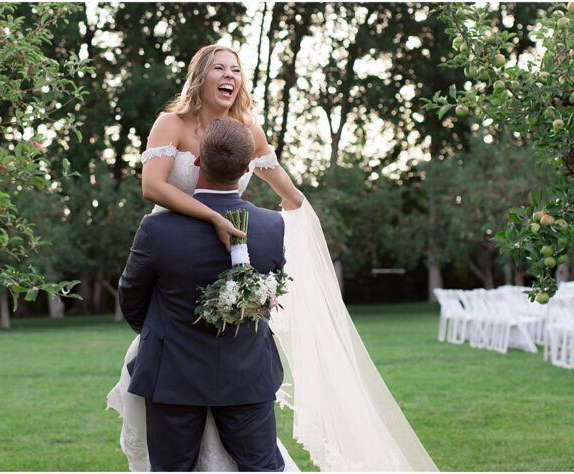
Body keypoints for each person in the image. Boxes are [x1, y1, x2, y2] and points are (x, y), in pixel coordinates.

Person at [106, 44, 438, 472]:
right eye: (219, 68)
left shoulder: (247, 127)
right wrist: (214, 218)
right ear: (200, 77)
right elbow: (153, 187)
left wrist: (298, 207)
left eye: (237, 70)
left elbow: (273, 174)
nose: (231, 75)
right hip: (177, 250)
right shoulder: (171, 123)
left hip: (232, 250)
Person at [119, 117, 288, 472]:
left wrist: (164, 331)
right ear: (246, 169)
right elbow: (268, 296)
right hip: (248, 373)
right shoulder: (271, 226)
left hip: (172, 374)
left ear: (197, 160)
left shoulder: (157, 229)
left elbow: (131, 298)